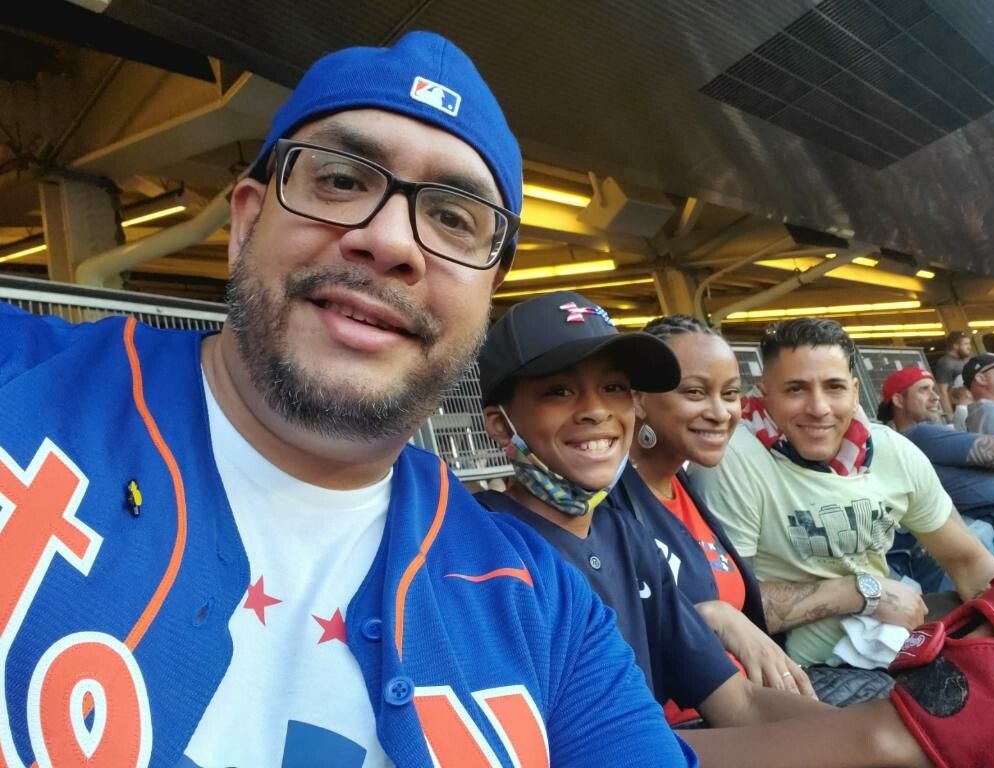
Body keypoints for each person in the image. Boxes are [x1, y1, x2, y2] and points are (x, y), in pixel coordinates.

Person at [0, 34, 692, 767]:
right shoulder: (20, 376)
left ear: (488, 293)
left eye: (455, 218)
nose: (390, 241)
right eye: (339, 179)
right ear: (245, 224)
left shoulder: (545, 610)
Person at [473, 294, 935, 768]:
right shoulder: (481, 551)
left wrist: (909, 736)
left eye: (614, 388)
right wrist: (880, 742)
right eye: (559, 391)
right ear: (501, 426)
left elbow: (737, 701)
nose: (596, 410)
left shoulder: (623, 533)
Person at [689, 318, 994, 672]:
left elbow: (970, 563)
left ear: (855, 391)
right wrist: (863, 592)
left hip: (895, 650)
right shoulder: (733, 460)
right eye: (795, 389)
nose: (818, 408)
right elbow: (730, 607)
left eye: (834, 387)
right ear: (765, 393)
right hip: (797, 672)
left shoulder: (893, 451)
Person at [608, 315, 813, 703]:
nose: (721, 413)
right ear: (639, 400)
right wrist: (711, 617)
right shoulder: (603, 507)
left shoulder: (683, 485)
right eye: (695, 392)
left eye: (730, 393)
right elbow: (605, 640)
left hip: (747, 708)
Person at [877, 366, 994, 571]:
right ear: (899, 400)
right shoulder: (919, 435)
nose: (935, 396)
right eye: (924, 390)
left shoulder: (907, 443)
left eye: (934, 389)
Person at [933, 330, 972, 415]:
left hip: (972, 405)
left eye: (969, 344)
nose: (969, 347)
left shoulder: (965, 360)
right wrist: (950, 416)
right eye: (966, 344)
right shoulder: (945, 363)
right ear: (955, 346)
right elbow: (942, 392)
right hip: (960, 410)